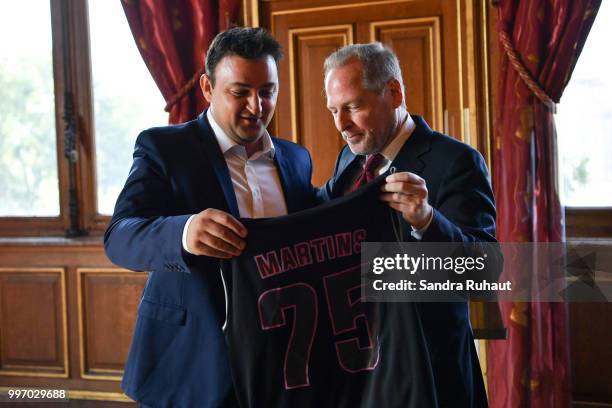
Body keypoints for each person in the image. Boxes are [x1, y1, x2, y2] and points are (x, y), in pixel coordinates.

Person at [104, 27, 316, 407]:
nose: (257, 106)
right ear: (206, 88)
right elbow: (119, 237)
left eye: (267, 91)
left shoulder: (297, 159)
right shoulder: (164, 148)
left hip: (282, 366)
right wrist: (183, 233)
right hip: (188, 366)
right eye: (240, 92)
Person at [319, 43, 497, 407]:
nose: (341, 124)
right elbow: (320, 213)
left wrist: (427, 220)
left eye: (352, 107)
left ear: (394, 92)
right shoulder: (349, 159)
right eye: (334, 111)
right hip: (362, 374)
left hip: (433, 374)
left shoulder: (457, 161)